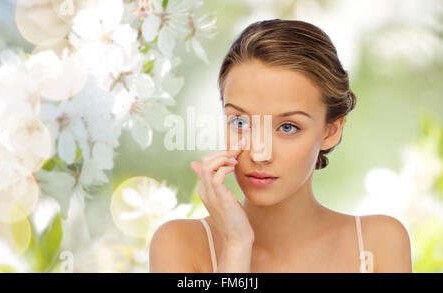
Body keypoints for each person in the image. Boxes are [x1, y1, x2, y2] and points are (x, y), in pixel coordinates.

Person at [149, 19, 413, 273]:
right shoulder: (180, 244)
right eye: (240, 122)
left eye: (287, 127)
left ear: (331, 131)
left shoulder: (379, 243)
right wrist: (236, 245)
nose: (258, 153)